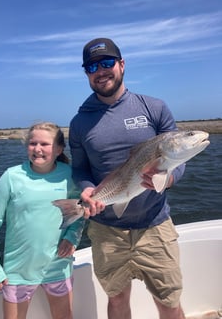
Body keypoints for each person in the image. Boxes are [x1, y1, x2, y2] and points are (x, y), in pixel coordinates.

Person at [69, 38, 186, 319]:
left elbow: (177, 158)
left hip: (155, 226)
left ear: (122, 64)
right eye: (92, 66)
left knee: (169, 302)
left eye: (107, 62)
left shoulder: (153, 107)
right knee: (117, 299)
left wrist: (167, 180)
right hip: (106, 229)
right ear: (86, 73)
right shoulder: (79, 123)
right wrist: (86, 191)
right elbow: (80, 169)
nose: (101, 70)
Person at [0, 122, 84, 319]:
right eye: (32, 143)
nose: (37, 149)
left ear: (59, 149)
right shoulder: (11, 177)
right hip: (18, 270)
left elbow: (79, 212)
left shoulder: (70, 175)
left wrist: (72, 237)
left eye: (45, 144)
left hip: (59, 265)